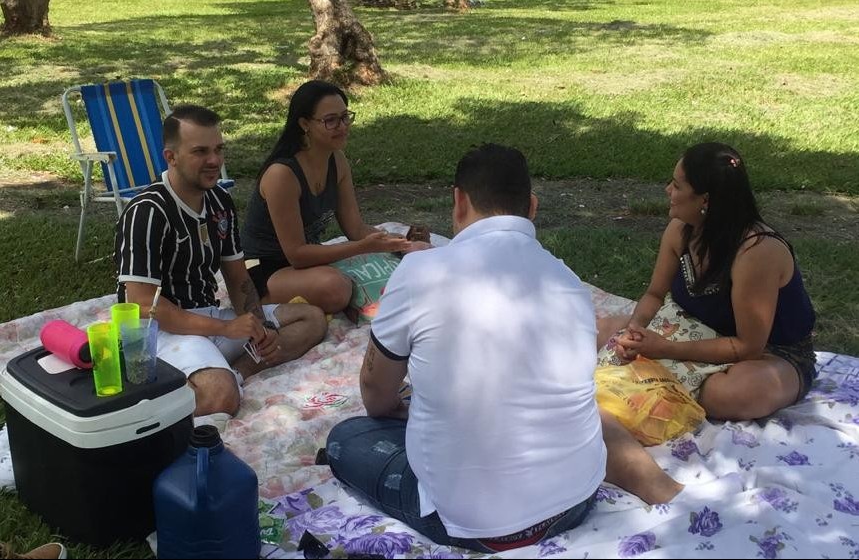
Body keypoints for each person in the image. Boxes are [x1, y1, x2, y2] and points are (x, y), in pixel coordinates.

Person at [326, 144, 684, 553]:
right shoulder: (567, 281)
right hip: (574, 501)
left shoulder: (420, 271)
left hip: (472, 523)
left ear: (458, 202)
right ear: (531, 206)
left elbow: (376, 393)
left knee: (347, 437)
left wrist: (406, 410)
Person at [115, 105, 328, 420]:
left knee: (311, 318)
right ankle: (201, 384)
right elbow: (145, 306)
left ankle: (237, 373)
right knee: (219, 396)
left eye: (218, 150)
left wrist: (261, 326)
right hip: (161, 332)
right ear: (170, 157)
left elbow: (239, 279)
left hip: (211, 320)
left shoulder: (220, 202)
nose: (214, 161)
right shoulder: (147, 211)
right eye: (200, 151)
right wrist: (226, 328)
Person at [613, 142, 817, 421]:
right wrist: (636, 330)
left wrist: (665, 349)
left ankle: (666, 377)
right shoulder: (679, 231)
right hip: (696, 330)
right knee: (602, 330)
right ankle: (668, 376)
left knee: (735, 394)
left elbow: (748, 346)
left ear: (705, 200)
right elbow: (654, 294)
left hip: (769, 353)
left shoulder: (756, 252)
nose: (668, 191)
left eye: (677, 185)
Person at [241, 80, 420, 314]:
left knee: (419, 252)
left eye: (345, 117)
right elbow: (297, 255)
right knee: (335, 288)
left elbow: (355, 228)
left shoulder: (337, 160)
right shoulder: (282, 175)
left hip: (308, 263)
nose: (342, 126)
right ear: (305, 124)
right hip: (264, 270)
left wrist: (398, 242)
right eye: (331, 121)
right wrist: (360, 248)